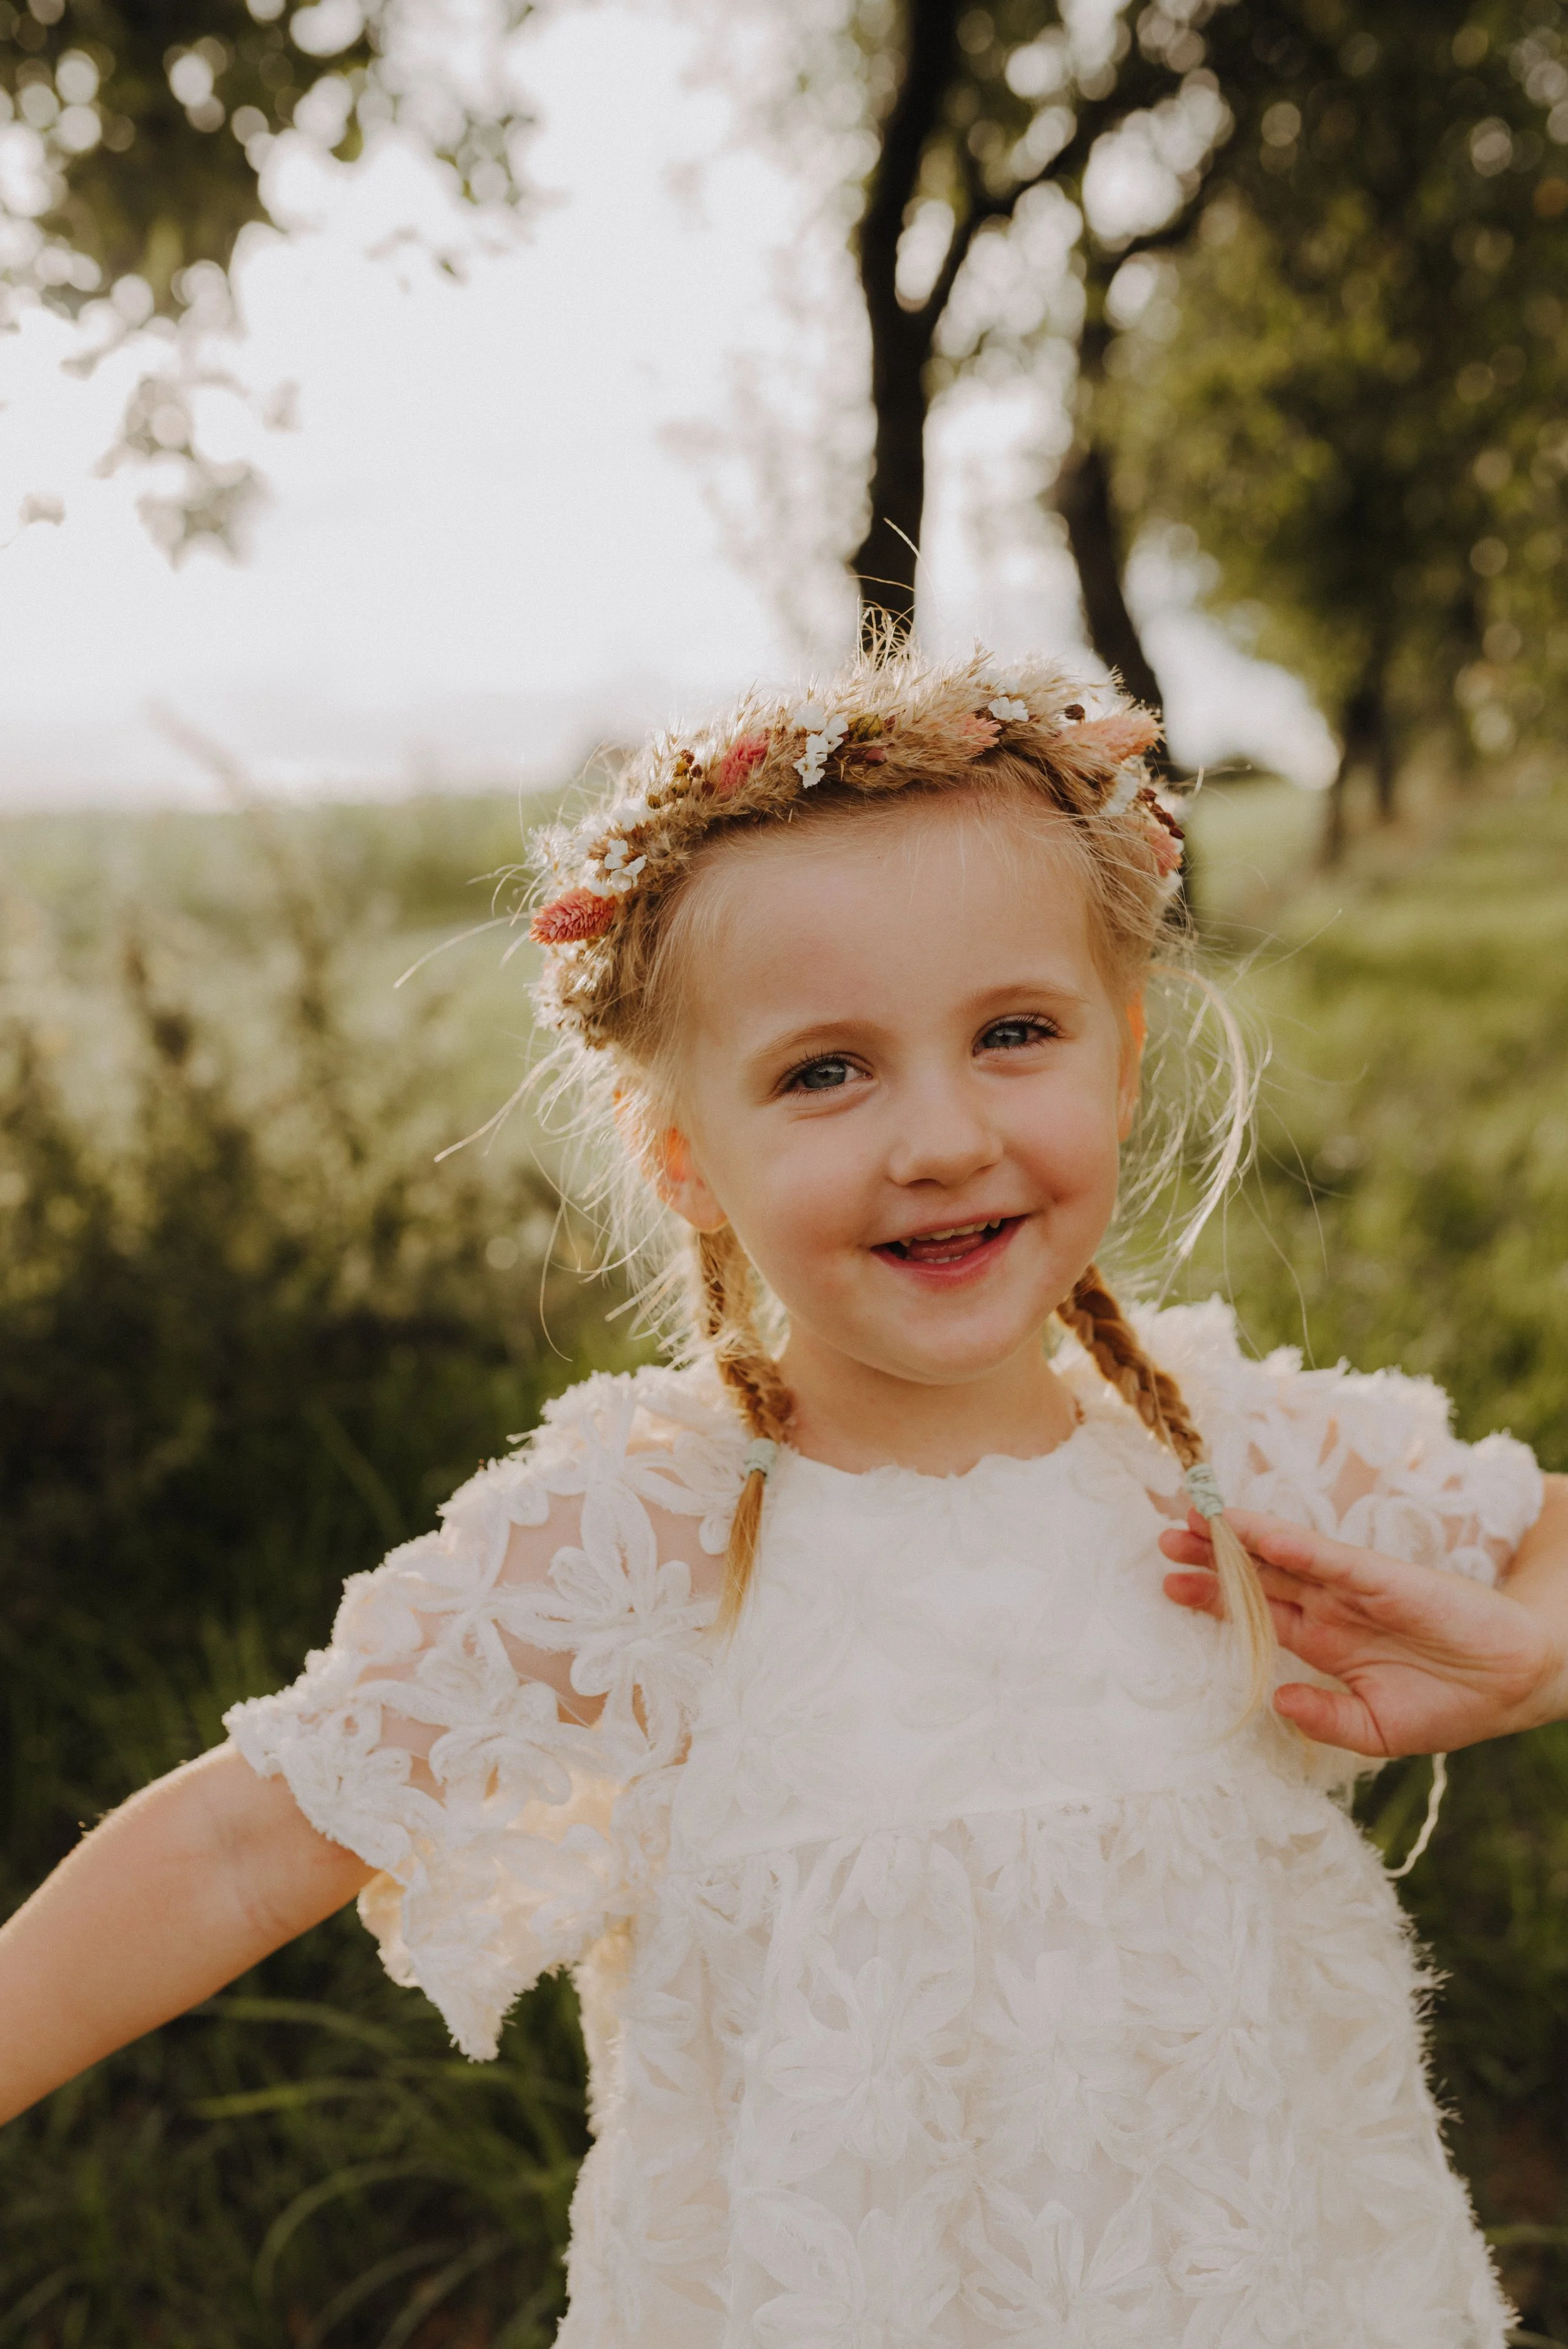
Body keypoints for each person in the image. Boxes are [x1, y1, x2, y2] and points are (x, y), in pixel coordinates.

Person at [3, 647, 1565, 2346]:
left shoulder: (1226, 1460)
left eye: (1013, 1034)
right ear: (680, 1147)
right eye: (827, 1070)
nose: (941, 1134)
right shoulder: (643, 1543)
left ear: (1118, 1056)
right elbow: (245, 1840)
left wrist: (1528, 1647)